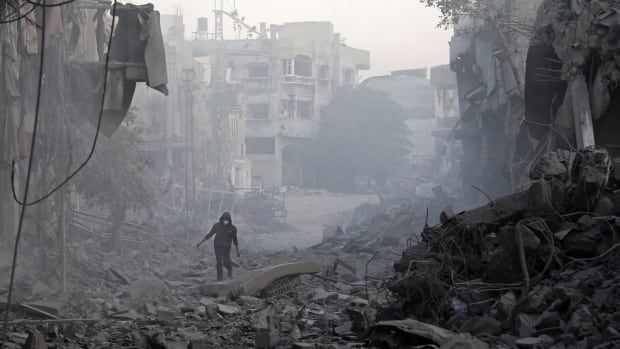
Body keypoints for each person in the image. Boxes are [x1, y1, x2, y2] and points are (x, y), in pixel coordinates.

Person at [196, 212, 240, 281]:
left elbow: (235, 240)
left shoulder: (232, 228)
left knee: (226, 262)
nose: (225, 221)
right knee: (219, 262)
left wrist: (237, 250)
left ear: (229, 220)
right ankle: (219, 278)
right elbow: (209, 234)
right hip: (217, 247)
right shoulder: (217, 226)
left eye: (227, 219)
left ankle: (230, 271)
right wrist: (200, 242)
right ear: (221, 219)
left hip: (226, 248)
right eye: (224, 219)